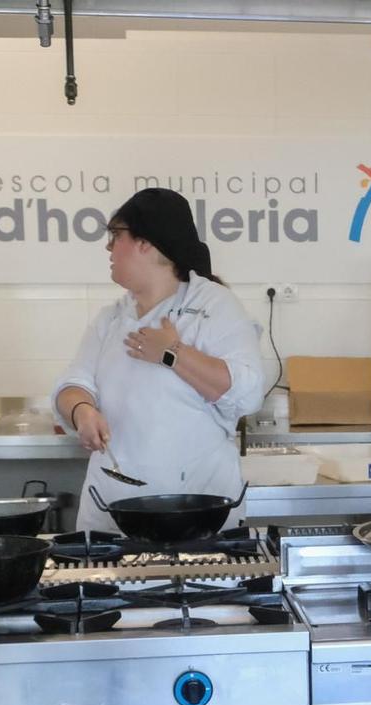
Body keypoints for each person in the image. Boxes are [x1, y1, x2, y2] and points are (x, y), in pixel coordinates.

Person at [52, 188, 267, 533]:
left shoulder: (213, 305)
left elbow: (248, 392)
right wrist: (82, 411)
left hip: (197, 506)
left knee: (199, 588)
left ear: (145, 242)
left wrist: (171, 354)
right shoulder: (111, 318)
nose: (108, 247)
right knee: (112, 587)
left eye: (115, 235)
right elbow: (72, 385)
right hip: (113, 507)